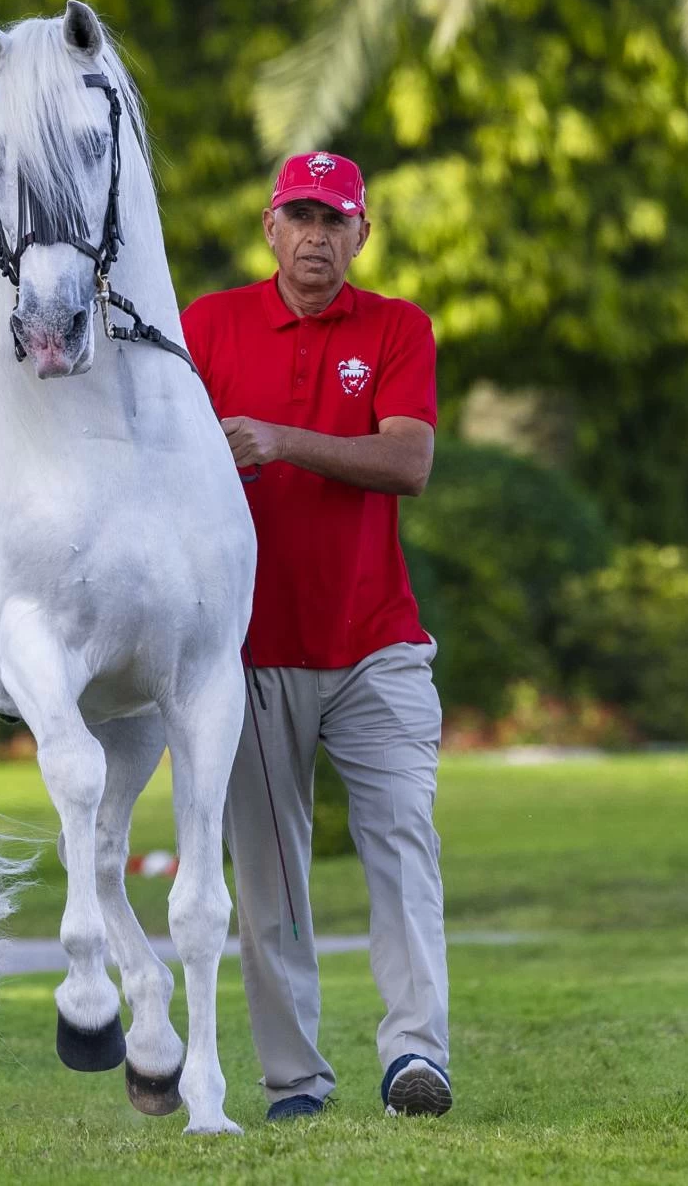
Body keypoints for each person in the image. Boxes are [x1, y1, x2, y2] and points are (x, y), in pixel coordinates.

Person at [181, 150, 451, 1121]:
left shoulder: (394, 328)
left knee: (399, 844)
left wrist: (279, 439)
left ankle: (415, 1056)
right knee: (266, 875)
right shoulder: (205, 325)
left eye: (334, 221)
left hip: (376, 644)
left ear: (359, 235)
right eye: (300, 217)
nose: (316, 238)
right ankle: (295, 1080)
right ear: (270, 227)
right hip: (244, 653)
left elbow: (408, 460)